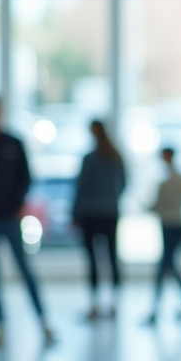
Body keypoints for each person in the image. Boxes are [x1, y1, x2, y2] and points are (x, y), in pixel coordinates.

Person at [0, 99, 54, 346]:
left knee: (24, 269)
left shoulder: (12, 142)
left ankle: (43, 321)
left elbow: (25, 177)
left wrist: (19, 202)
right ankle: (0, 324)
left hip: (10, 217)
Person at [72, 120, 125, 320]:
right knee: (111, 256)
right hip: (110, 212)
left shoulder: (91, 159)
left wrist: (75, 214)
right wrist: (111, 199)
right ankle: (113, 303)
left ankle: (95, 304)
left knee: (93, 259)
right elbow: (123, 184)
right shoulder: (116, 157)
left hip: (91, 213)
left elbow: (81, 188)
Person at [145, 147, 181, 325]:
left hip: (169, 226)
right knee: (168, 267)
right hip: (176, 226)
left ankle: (156, 310)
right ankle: (179, 304)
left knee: (165, 267)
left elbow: (157, 206)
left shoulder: (167, 183)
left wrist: (148, 207)